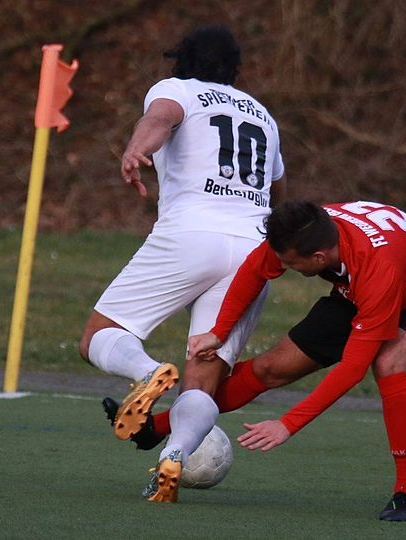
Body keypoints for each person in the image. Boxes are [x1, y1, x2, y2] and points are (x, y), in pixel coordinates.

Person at [132, 199, 406, 520]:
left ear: (318, 258)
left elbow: (352, 369)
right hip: (354, 291)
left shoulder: (375, 267)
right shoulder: (304, 229)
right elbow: (253, 271)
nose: (283, 266)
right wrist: (219, 332)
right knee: (272, 368)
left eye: (290, 263)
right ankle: (154, 428)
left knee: (388, 364)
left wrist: (287, 424)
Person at [77, 25, 287, 503]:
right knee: (203, 376)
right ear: (234, 68)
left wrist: (138, 148)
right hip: (255, 250)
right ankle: (173, 456)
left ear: (181, 60)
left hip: (192, 235)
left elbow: (162, 117)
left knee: (99, 337)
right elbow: (278, 191)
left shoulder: (179, 89)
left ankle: (147, 371)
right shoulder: (263, 115)